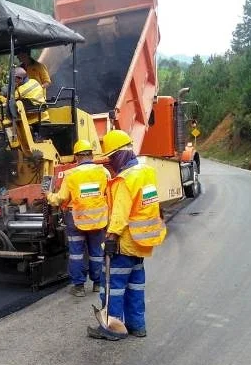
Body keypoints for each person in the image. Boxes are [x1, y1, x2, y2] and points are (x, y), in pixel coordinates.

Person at [87, 129, 167, 341]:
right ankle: (137, 326)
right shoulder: (146, 172)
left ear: (119, 155)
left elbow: (120, 214)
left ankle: (113, 328)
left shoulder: (124, 180)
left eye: (111, 158)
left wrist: (111, 238)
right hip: (141, 243)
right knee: (136, 286)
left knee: (113, 286)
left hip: (124, 244)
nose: (110, 163)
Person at [46, 139, 110, 297]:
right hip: (98, 219)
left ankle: (79, 287)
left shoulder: (71, 175)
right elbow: (109, 195)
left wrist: (48, 195)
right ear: (92, 154)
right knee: (96, 252)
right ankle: (97, 284)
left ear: (76, 157)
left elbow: (60, 199)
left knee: (76, 253)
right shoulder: (104, 172)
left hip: (76, 219)